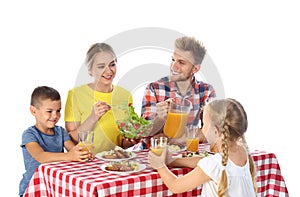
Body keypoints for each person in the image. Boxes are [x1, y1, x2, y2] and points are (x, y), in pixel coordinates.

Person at [148, 98, 257, 196]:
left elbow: (175, 186)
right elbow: (205, 160)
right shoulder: (242, 152)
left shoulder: (214, 164)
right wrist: (173, 161)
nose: (202, 129)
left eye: (204, 125)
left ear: (215, 131)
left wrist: (160, 166)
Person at [19, 86, 90, 197]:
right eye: (49, 111)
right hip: (34, 187)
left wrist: (81, 152)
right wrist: (69, 156)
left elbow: (72, 149)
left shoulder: (60, 131)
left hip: (55, 185)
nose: (55, 116)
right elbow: (40, 156)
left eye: (58, 111)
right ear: (33, 111)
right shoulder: (30, 134)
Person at [141, 36, 216, 141]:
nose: (173, 67)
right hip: (152, 152)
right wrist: (160, 118)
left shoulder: (206, 92)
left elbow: (211, 132)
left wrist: (179, 139)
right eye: (173, 60)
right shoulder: (154, 88)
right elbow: (144, 133)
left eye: (181, 62)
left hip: (186, 152)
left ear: (195, 68)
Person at [64, 43, 133, 154]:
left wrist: (131, 141)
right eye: (101, 66)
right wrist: (93, 118)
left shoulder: (125, 95)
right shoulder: (75, 94)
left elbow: (122, 143)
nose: (109, 71)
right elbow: (72, 140)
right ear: (90, 69)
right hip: (87, 161)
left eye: (112, 64)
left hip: (114, 161)